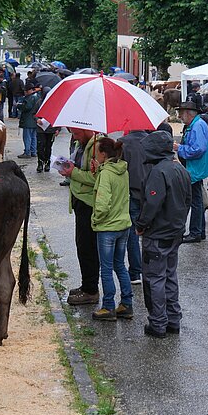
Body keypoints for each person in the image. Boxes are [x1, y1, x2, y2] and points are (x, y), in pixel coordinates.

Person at [136, 130, 191, 338]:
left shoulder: (158, 172)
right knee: (169, 276)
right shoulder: (180, 169)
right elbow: (187, 201)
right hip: (175, 232)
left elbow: (152, 204)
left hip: (158, 234)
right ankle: (173, 320)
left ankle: (158, 323)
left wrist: (141, 224)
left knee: (155, 279)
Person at [58, 128, 105, 306]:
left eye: (76, 132)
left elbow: (97, 178)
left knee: (88, 247)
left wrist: (73, 173)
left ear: (86, 128)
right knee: (82, 245)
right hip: (80, 201)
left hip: (89, 203)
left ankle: (91, 290)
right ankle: (87, 285)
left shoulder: (97, 147)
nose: (73, 135)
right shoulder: (81, 143)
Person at [90, 138, 134, 321]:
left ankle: (108, 306)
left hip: (108, 227)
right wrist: (97, 173)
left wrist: (95, 219)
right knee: (120, 266)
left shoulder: (107, 173)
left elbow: (102, 203)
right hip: (123, 224)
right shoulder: (122, 170)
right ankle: (126, 303)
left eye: (96, 151)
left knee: (106, 269)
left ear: (103, 154)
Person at [175, 101, 208, 243]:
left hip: (196, 168)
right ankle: (199, 231)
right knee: (196, 200)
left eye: (181, 112)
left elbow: (198, 149)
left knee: (195, 201)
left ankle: (195, 232)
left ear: (188, 113)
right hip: (197, 167)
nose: (179, 116)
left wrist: (179, 148)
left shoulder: (197, 126)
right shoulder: (196, 124)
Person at [120, 126, 155, 285]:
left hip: (131, 191)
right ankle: (151, 269)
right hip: (151, 192)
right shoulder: (152, 142)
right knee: (150, 231)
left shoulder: (123, 143)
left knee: (133, 233)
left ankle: (135, 271)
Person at [17, 83, 41, 160]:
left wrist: (19, 105)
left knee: (27, 137)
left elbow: (27, 107)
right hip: (35, 120)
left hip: (28, 120)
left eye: (26, 91)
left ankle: (27, 152)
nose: (25, 92)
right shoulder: (37, 96)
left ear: (30, 90)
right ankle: (33, 151)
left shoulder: (30, 98)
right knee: (34, 137)